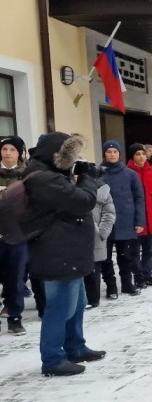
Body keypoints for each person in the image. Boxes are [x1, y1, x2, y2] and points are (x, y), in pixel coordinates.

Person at [22, 133, 105, 376]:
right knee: (59, 306)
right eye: (72, 156)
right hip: (56, 251)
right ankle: (52, 358)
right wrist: (88, 178)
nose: (76, 160)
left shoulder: (51, 175)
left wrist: (77, 177)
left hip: (68, 250)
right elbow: (82, 201)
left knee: (77, 303)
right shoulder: (42, 179)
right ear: (58, 157)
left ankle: (75, 346)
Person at [100, 140, 145, 298]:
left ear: (119, 154)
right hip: (104, 223)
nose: (112, 154)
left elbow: (139, 198)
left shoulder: (130, 174)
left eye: (115, 152)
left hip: (126, 221)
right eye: (109, 152)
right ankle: (111, 287)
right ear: (104, 154)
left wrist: (140, 221)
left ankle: (127, 283)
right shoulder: (98, 173)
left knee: (126, 256)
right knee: (105, 257)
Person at [0, 135, 29, 334]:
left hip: (18, 232)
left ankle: (15, 316)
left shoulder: (27, 174)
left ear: (19, 153)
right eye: (4, 149)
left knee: (16, 277)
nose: (8, 153)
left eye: (12, 149)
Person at [126, 143, 152, 288]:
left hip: (151, 216)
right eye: (137, 154)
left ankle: (148, 275)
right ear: (132, 156)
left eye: (143, 154)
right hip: (135, 217)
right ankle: (138, 276)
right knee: (135, 250)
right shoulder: (128, 172)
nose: (141, 157)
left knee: (150, 250)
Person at [85, 176, 116, 308]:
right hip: (73, 235)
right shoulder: (67, 187)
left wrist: (101, 232)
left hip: (96, 235)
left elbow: (109, 213)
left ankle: (93, 299)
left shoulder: (101, 190)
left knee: (95, 267)